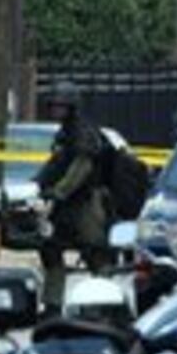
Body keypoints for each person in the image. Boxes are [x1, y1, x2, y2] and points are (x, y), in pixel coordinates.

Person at [33, 81, 114, 315]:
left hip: (86, 202)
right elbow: (55, 164)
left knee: (95, 253)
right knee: (50, 249)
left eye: (61, 106)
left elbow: (82, 167)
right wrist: (35, 186)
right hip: (65, 204)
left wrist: (59, 191)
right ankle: (52, 304)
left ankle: (105, 303)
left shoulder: (83, 132)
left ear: (72, 107)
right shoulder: (65, 133)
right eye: (54, 106)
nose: (56, 110)